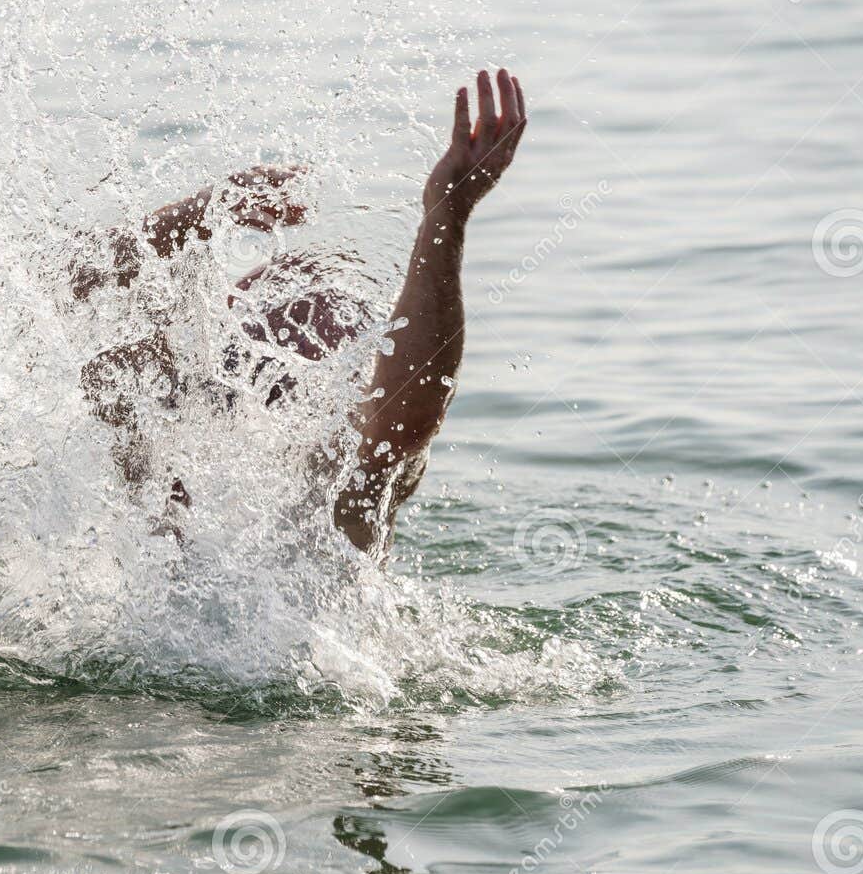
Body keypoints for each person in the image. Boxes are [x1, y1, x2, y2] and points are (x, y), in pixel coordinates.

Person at [74, 70, 527, 562]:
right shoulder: (158, 415)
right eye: (282, 315)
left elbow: (407, 411)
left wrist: (447, 214)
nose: (301, 333)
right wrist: (198, 214)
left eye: (330, 324)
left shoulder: (340, 476)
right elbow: (48, 304)